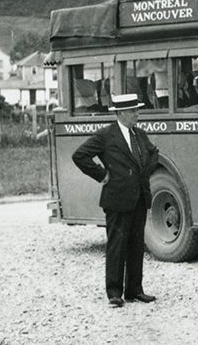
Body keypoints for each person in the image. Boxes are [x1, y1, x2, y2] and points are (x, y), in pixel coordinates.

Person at [71, 93, 159, 307]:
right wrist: (102, 175)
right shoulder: (106, 136)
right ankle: (114, 293)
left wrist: (144, 174)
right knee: (117, 246)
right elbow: (79, 156)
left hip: (139, 197)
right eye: (133, 111)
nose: (137, 114)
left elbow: (153, 154)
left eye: (137, 110)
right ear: (120, 113)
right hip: (117, 199)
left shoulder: (139, 134)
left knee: (136, 245)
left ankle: (134, 290)